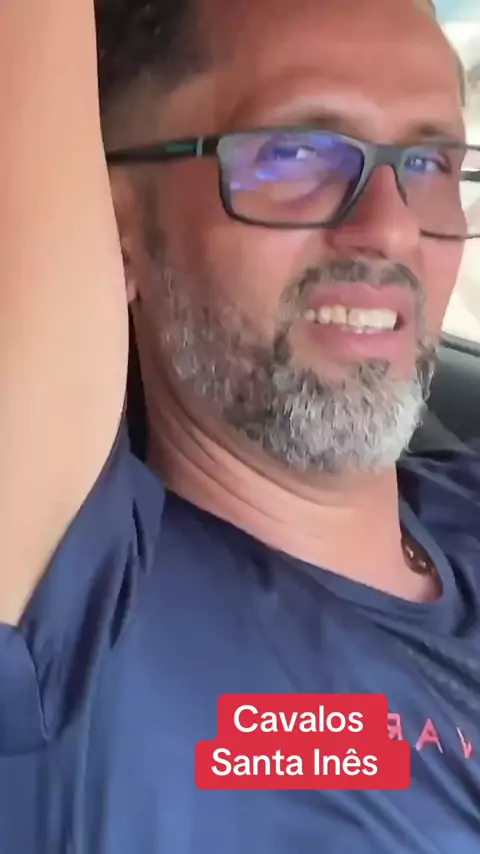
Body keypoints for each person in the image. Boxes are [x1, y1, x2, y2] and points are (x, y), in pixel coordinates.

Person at [1, 0, 480, 851]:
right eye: (294, 153)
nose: (392, 226)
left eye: (430, 161)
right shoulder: (80, 625)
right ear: (114, 228)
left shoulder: (464, 502)